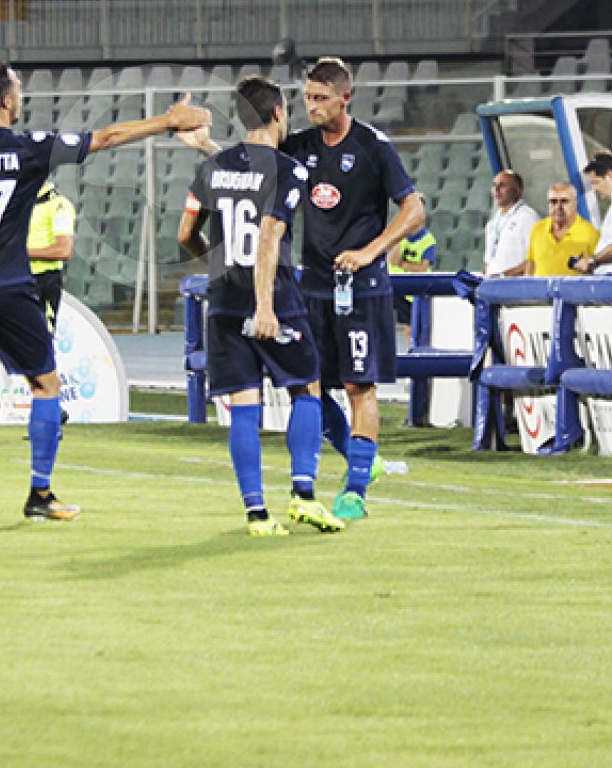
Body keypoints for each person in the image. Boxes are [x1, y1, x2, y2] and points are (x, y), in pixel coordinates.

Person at [0, 61, 208, 525]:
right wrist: (167, 121)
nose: (21, 96)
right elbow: (104, 138)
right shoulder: (28, 148)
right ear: (6, 100)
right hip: (7, 285)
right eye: (18, 89)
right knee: (46, 385)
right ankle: (40, 494)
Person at [177, 74, 347, 537]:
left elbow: (186, 234)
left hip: (223, 302)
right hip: (273, 299)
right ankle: (303, 495)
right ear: (277, 113)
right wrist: (265, 305)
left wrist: (219, 265)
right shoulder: (289, 170)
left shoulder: (211, 169)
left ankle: (256, 514)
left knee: (244, 405)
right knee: (306, 389)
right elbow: (270, 234)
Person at [277, 57, 426, 522]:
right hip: (313, 288)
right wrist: (206, 146)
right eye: (307, 98)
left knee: (360, 386)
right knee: (305, 385)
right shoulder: (300, 145)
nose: (312, 106)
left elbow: (414, 209)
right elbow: (251, 163)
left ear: (345, 98)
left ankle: (356, 489)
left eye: (321, 98)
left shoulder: (373, 147)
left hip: (361, 289)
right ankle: (363, 458)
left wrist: (371, 251)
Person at [27, 181, 77, 333]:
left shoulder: (59, 205)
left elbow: (63, 250)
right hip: (16, 277)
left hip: (44, 280)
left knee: (41, 336)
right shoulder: (17, 202)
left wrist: (21, 253)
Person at [524, 183, 599, 277]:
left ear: (576, 203)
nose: (558, 207)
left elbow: (598, 273)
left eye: (564, 201)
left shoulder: (591, 234)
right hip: (538, 287)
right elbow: (531, 264)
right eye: (553, 202)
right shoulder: (537, 229)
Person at [484, 170, 537, 277]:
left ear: (517, 191)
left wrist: (503, 276)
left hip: (515, 285)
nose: (496, 190)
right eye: (494, 185)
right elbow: (488, 261)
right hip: (492, 284)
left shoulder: (528, 217)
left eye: (502, 185)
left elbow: (535, 259)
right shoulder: (493, 221)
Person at [389, 221, 436, 328]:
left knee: (414, 325)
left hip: (417, 289)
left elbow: (422, 268)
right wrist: (400, 238)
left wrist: (404, 264)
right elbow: (393, 260)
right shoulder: (402, 237)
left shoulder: (428, 240)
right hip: (398, 287)